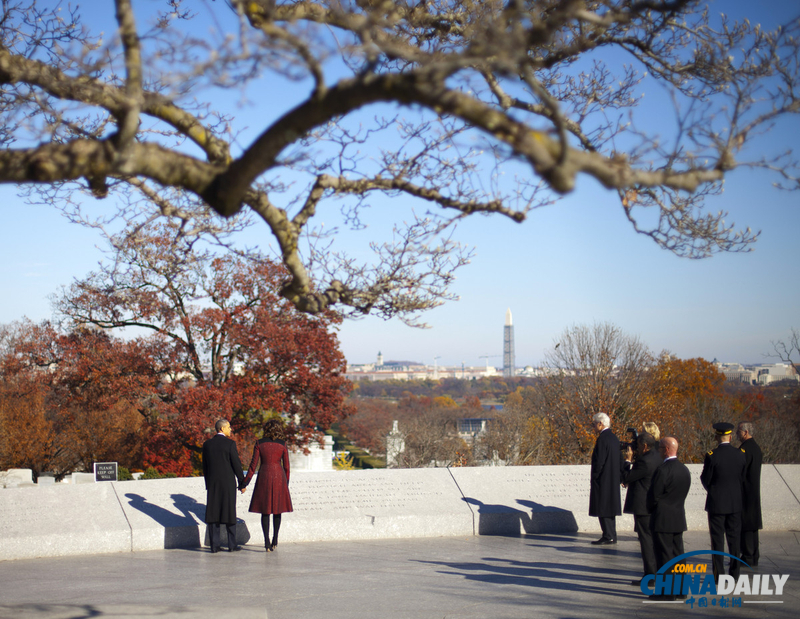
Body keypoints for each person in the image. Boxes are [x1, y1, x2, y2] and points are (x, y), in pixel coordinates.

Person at [701, 421, 746, 581]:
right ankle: (734, 573)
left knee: (717, 541)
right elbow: (742, 478)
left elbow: (705, 479)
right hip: (735, 503)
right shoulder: (740, 454)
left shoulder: (712, 455)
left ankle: (718, 575)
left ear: (716, 437)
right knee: (734, 540)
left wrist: (714, 491)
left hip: (717, 503)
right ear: (731, 436)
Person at [647, 436, 691, 593]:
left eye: (660, 448)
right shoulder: (684, 469)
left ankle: (666, 592)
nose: (658, 451)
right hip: (678, 517)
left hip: (662, 519)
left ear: (666, 450)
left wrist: (651, 508)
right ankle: (680, 590)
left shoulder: (663, 470)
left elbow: (653, 496)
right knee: (678, 555)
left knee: (664, 556)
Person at [242, 418, 294, 552]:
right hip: (279, 477)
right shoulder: (282, 444)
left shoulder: (259, 443)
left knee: (265, 510)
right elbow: (287, 466)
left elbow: (253, 466)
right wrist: (286, 483)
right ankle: (275, 538)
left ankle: (266, 542)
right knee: (278, 509)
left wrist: (245, 481)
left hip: (264, 475)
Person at [621, 432, 662, 585]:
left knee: (646, 540)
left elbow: (626, 477)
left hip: (643, 506)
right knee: (652, 540)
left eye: (637, 445)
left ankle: (650, 575)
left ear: (644, 446)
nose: (635, 448)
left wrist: (627, 460)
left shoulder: (644, 461)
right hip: (653, 504)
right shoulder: (658, 456)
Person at [202, 419, 246, 553]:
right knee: (229, 512)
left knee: (213, 513)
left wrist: (208, 484)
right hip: (227, 483)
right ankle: (232, 545)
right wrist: (242, 483)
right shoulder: (230, 444)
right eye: (228, 427)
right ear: (222, 429)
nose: (230, 429)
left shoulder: (207, 444)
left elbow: (205, 466)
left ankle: (214, 546)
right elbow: (236, 465)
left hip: (213, 483)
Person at [589, 412, 621, 545]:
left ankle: (608, 536)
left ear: (600, 424)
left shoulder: (602, 439)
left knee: (603, 508)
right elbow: (620, 459)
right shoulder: (614, 438)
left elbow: (599, 461)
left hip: (603, 480)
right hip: (613, 479)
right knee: (610, 509)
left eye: (594, 424)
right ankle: (611, 534)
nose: (594, 427)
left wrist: (595, 477)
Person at [737, 421, 763, 567]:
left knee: (746, 525)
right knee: (752, 526)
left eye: (738, 432)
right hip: (753, 491)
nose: (737, 435)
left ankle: (747, 556)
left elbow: (741, 470)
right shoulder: (756, 447)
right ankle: (754, 555)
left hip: (745, 492)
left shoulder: (745, 449)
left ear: (745, 432)